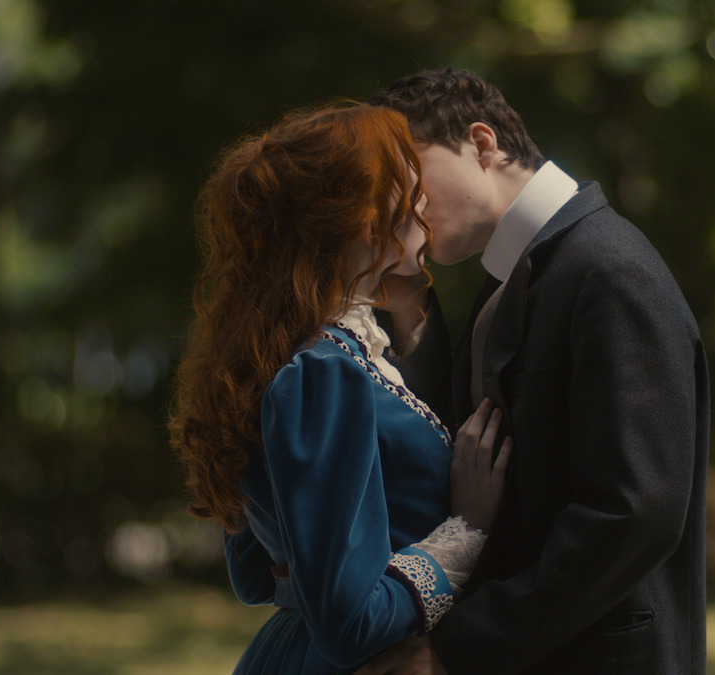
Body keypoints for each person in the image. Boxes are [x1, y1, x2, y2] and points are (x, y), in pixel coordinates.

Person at [360, 69, 710, 674]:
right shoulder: (516, 275)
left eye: (409, 175)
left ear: (482, 143)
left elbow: (635, 515)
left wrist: (460, 648)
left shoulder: (609, 272)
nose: (401, 205)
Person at [167, 103, 511, 675]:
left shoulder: (277, 358)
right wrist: (467, 529)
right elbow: (351, 625)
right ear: (363, 220)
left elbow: (257, 576)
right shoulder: (325, 372)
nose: (425, 202)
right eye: (410, 188)